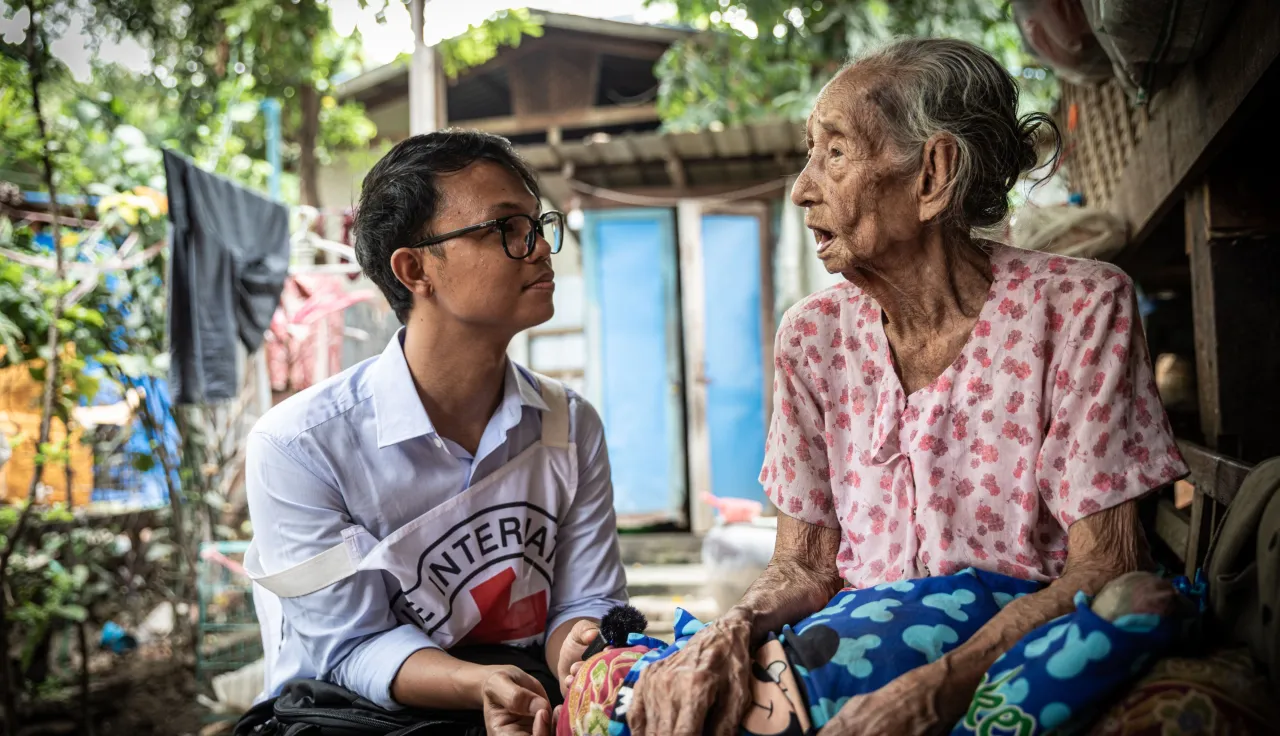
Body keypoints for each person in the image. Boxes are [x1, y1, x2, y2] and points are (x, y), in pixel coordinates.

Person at [625, 38, 1188, 736]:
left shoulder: (1079, 307)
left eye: (833, 153)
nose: (802, 187)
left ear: (933, 174)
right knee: (655, 692)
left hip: (1014, 641)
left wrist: (940, 686)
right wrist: (729, 631)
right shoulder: (813, 336)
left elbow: (1106, 563)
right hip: (857, 635)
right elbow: (803, 563)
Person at [243, 130, 627, 736]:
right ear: (414, 268)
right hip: (350, 719)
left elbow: (584, 603)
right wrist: (481, 685)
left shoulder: (569, 425)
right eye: (505, 228)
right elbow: (349, 647)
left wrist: (579, 651)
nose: (539, 248)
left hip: (523, 707)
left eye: (537, 223)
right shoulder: (301, 446)